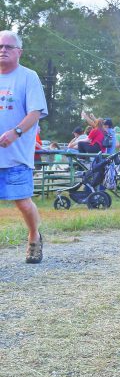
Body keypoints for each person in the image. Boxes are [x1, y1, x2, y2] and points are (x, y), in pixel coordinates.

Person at [0, 31, 48, 263]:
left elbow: (35, 112)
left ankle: (34, 236)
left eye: (9, 47)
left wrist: (16, 132)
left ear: (19, 52)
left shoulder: (28, 77)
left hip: (16, 155)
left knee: (22, 202)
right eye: (0, 46)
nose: (3, 50)